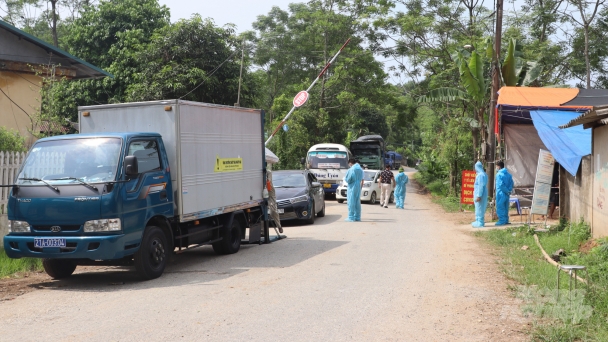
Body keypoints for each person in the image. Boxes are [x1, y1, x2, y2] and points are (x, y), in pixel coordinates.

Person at [494, 161, 514, 226]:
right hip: (507, 194)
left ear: (499, 167)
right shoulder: (509, 174)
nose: (496, 168)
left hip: (501, 193)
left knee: (500, 206)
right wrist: (508, 191)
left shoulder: (499, 174)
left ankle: (502, 220)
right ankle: (506, 220)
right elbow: (511, 183)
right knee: (505, 207)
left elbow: (500, 185)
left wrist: (505, 191)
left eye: (496, 166)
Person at [471, 161, 488, 228]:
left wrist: (479, 195)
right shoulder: (484, 174)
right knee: (479, 207)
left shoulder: (480, 175)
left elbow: (480, 186)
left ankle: (480, 222)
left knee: (480, 208)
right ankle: (478, 220)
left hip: (480, 193)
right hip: (482, 193)